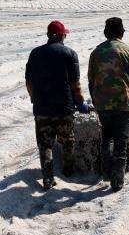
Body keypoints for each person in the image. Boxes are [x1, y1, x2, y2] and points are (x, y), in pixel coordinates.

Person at [25, 20, 90, 190]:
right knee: (67, 139)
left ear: (48, 35)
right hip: (64, 107)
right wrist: (80, 103)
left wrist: (34, 99)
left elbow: (29, 81)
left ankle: (47, 178)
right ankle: (68, 170)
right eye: (65, 34)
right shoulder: (70, 53)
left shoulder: (35, 54)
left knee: (45, 143)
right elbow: (75, 83)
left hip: (42, 108)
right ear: (61, 35)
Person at [88, 17, 129, 192]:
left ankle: (106, 173)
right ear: (122, 32)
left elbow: (91, 81)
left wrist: (95, 99)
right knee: (120, 142)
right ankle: (117, 181)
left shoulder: (96, 52)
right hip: (123, 103)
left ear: (106, 33)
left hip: (102, 103)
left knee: (106, 137)